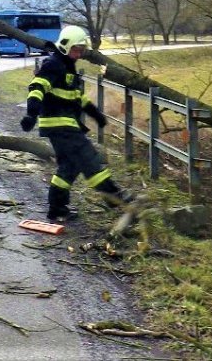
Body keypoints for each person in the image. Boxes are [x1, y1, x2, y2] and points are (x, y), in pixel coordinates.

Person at [20, 25, 132, 222]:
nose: (79, 54)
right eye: (76, 50)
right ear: (65, 45)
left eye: (81, 51)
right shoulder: (53, 64)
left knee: (69, 166)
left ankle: (57, 209)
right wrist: (31, 114)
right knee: (88, 157)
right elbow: (37, 88)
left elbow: (77, 98)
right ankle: (114, 197)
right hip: (59, 125)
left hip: (64, 124)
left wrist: (95, 114)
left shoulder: (67, 67)